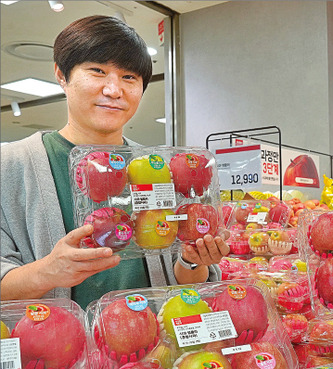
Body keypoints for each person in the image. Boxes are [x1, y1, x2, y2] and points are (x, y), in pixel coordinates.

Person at [1, 15, 229, 308]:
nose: (113, 90)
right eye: (97, 71)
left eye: (129, 77)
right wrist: (47, 272)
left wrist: (193, 261)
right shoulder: (11, 165)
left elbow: (186, 281)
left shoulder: (157, 168)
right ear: (61, 74)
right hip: (56, 349)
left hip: (150, 346)